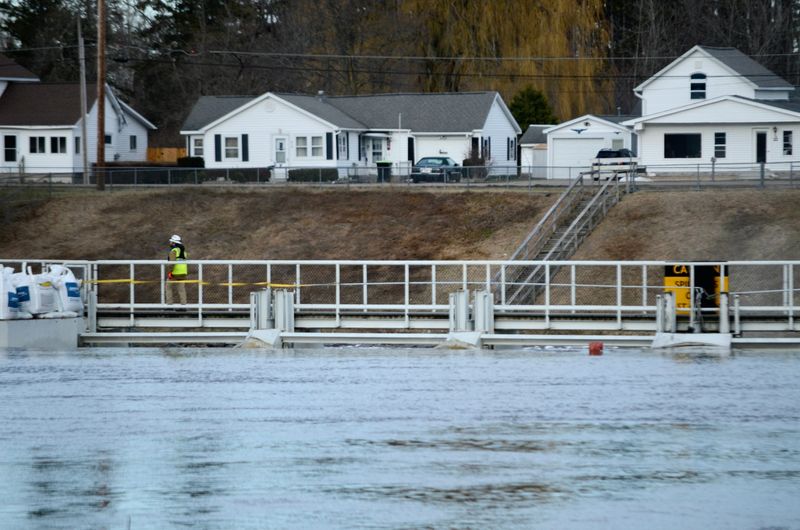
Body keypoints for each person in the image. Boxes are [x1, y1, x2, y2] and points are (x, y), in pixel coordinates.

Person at [166, 234, 188, 305]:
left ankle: (169, 305)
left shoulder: (174, 251)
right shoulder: (184, 252)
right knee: (182, 290)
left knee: (168, 288)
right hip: (183, 273)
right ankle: (183, 306)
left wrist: (170, 272)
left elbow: (172, 263)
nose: (170, 243)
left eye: (171, 242)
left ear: (173, 243)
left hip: (174, 273)